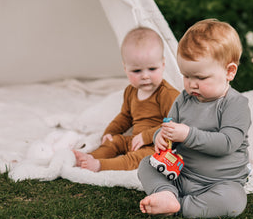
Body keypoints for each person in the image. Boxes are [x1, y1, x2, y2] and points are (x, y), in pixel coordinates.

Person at [138, 19, 251, 218]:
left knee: (234, 201)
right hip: (181, 173)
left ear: (229, 71)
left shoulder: (235, 104)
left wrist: (188, 135)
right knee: (146, 164)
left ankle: (178, 205)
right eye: (186, 76)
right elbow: (168, 128)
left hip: (219, 182)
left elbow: (227, 144)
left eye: (200, 78)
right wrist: (160, 137)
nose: (192, 85)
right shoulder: (183, 100)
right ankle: (166, 193)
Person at [73, 27, 180, 172]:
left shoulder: (167, 94)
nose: (145, 76)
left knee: (136, 159)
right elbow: (125, 116)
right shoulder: (131, 92)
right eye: (137, 71)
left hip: (157, 145)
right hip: (135, 140)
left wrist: (147, 136)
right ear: (125, 68)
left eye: (152, 69)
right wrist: (109, 132)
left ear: (163, 64)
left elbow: (176, 125)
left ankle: (100, 166)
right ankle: (91, 157)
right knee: (114, 142)